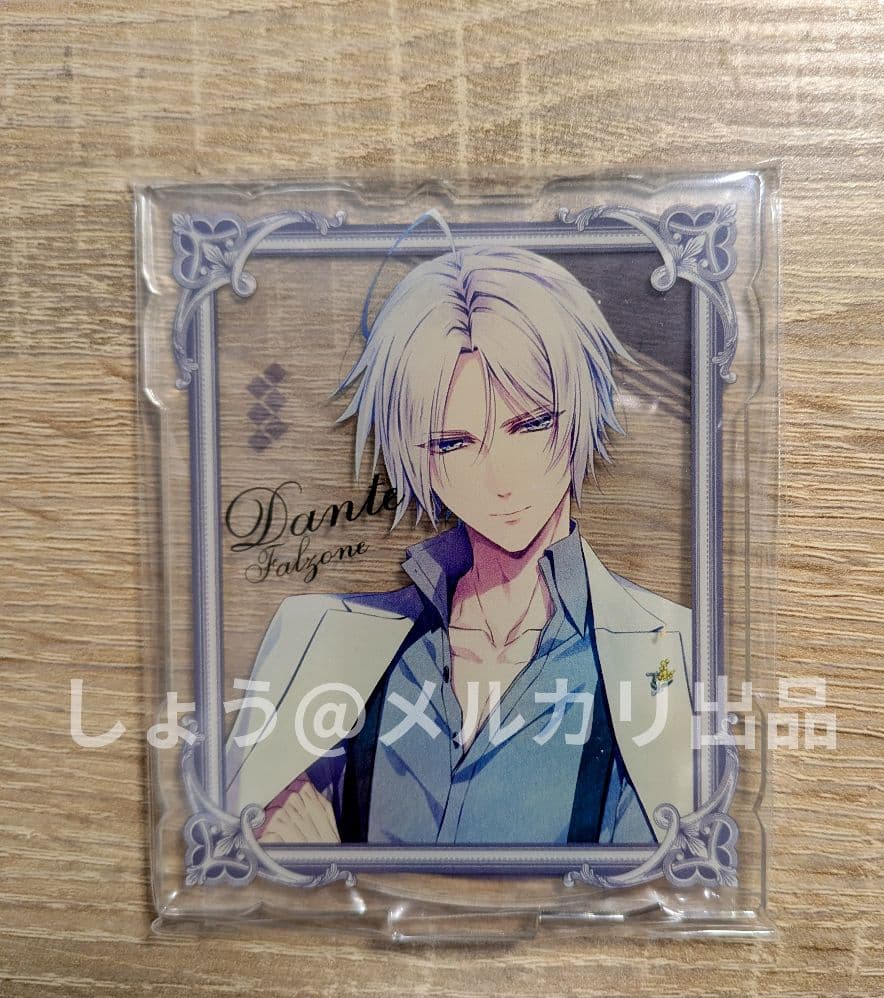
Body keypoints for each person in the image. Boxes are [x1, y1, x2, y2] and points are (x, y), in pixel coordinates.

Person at [224, 243, 694, 846]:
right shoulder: (319, 637)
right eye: (453, 443)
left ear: (578, 412)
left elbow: (654, 884)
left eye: (531, 425)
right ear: (416, 453)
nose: (500, 478)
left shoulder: (670, 652)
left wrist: (335, 867)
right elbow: (245, 847)